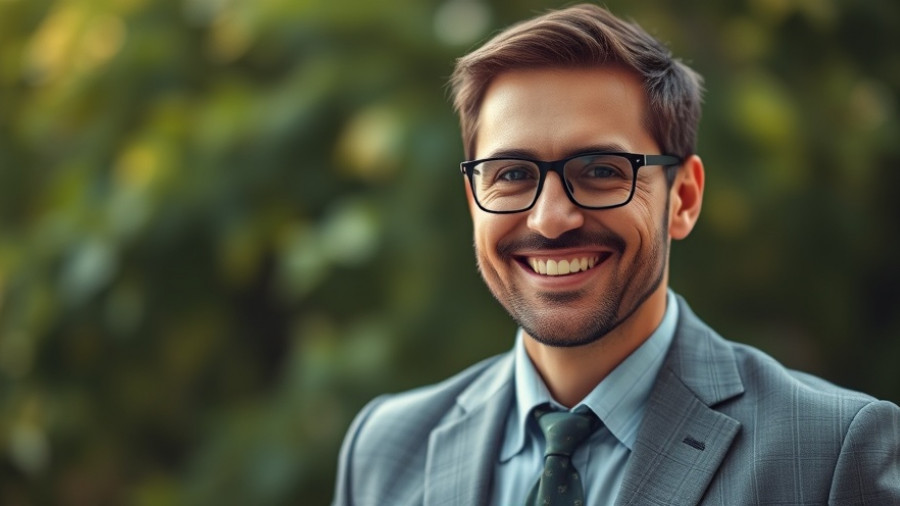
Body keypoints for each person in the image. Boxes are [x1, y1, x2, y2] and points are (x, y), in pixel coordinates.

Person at [332, 4, 900, 505]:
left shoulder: (831, 455)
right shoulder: (384, 450)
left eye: (602, 171)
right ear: (473, 201)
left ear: (684, 198)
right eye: (511, 175)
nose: (550, 218)